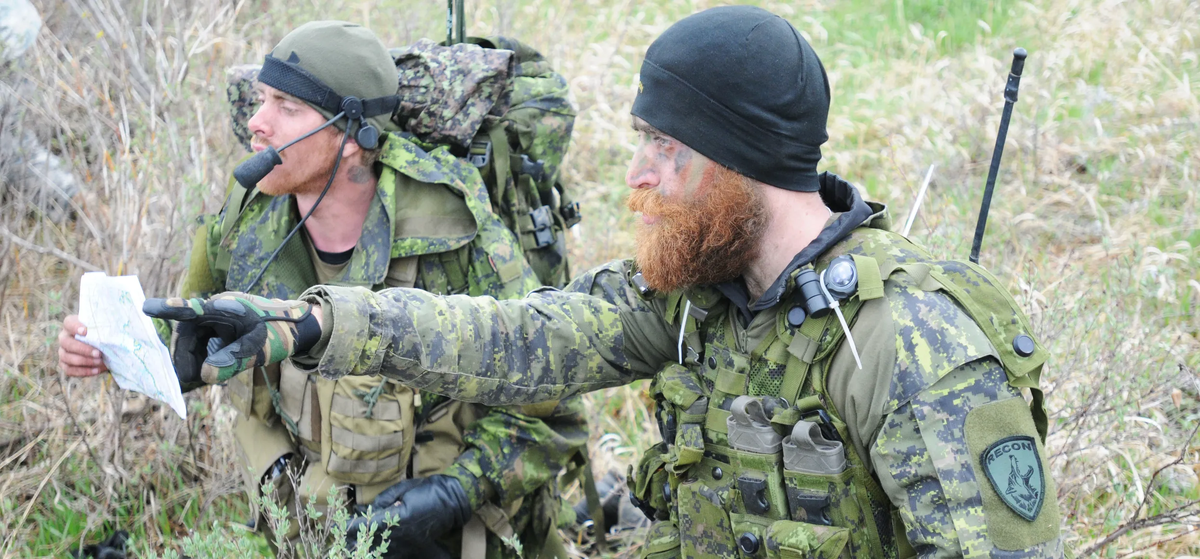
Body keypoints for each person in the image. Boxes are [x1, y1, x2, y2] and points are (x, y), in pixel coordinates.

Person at [149, 6, 1065, 558]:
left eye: (665, 149)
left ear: (739, 165)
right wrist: (302, 326)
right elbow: (515, 339)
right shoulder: (695, 293)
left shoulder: (908, 341)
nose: (636, 176)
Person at [57, 21, 590, 559]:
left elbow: (556, 401)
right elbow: (190, 337)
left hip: (450, 533)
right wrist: (112, 348)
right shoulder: (247, 222)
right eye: (262, 99)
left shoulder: (454, 229)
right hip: (315, 526)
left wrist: (455, 493)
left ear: (355, 136)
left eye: (287, 106)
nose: (256, 123)